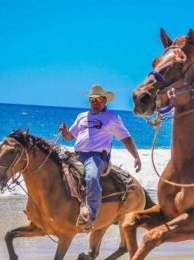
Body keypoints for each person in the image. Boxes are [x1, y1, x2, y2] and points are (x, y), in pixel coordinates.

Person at [59, 84, 142, 231]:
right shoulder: (82, 116)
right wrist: (65, 132)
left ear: (104, 100)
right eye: (92, 99)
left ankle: (91, 216)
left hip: (96, 157)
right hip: (77, 155)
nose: (94, 102)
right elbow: (70, 136)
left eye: (98, 99)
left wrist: (136, 156)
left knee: (91, 177)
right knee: (53, 170)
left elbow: (125, 138)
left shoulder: (112, 117)